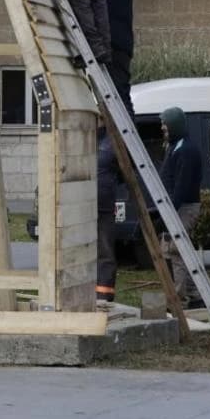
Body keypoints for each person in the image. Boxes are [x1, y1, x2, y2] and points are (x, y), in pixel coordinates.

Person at [158, 106, 203, 308]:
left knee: (177, 250)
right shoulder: (174, 146)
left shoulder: (186, 150)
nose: (162, 128)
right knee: (172, 250)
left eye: (165, 124)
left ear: (174, 124)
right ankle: (195, 295)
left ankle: (178, 299)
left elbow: (182, 187)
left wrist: (169, 211)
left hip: (183, 207)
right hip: (176, 206)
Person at [106, 0, 134, 115]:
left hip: (117, 44)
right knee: (119, 90)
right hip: (120, 43)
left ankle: (128, 126)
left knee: (121, 92)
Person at [95, 130, 120, 305]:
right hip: (83, 205)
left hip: (103, 206)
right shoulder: (87, 138)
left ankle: (104, 295)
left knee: (105, 251)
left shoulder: (111, 142)